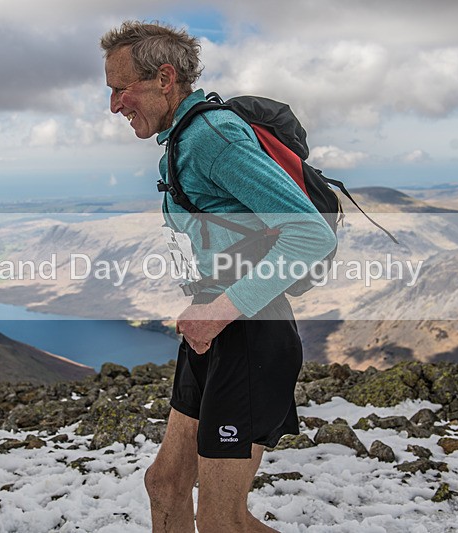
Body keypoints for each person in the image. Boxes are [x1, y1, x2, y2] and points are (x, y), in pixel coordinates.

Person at [101, 21, 335, 533]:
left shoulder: (212, 136)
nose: (115, 105)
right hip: (216, 333)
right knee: (165, 483)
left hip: (249, 334)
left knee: (221, 522)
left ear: (165, 78)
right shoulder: (183, 139)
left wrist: (220, 308)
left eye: (122, 89)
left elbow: (312, 235)